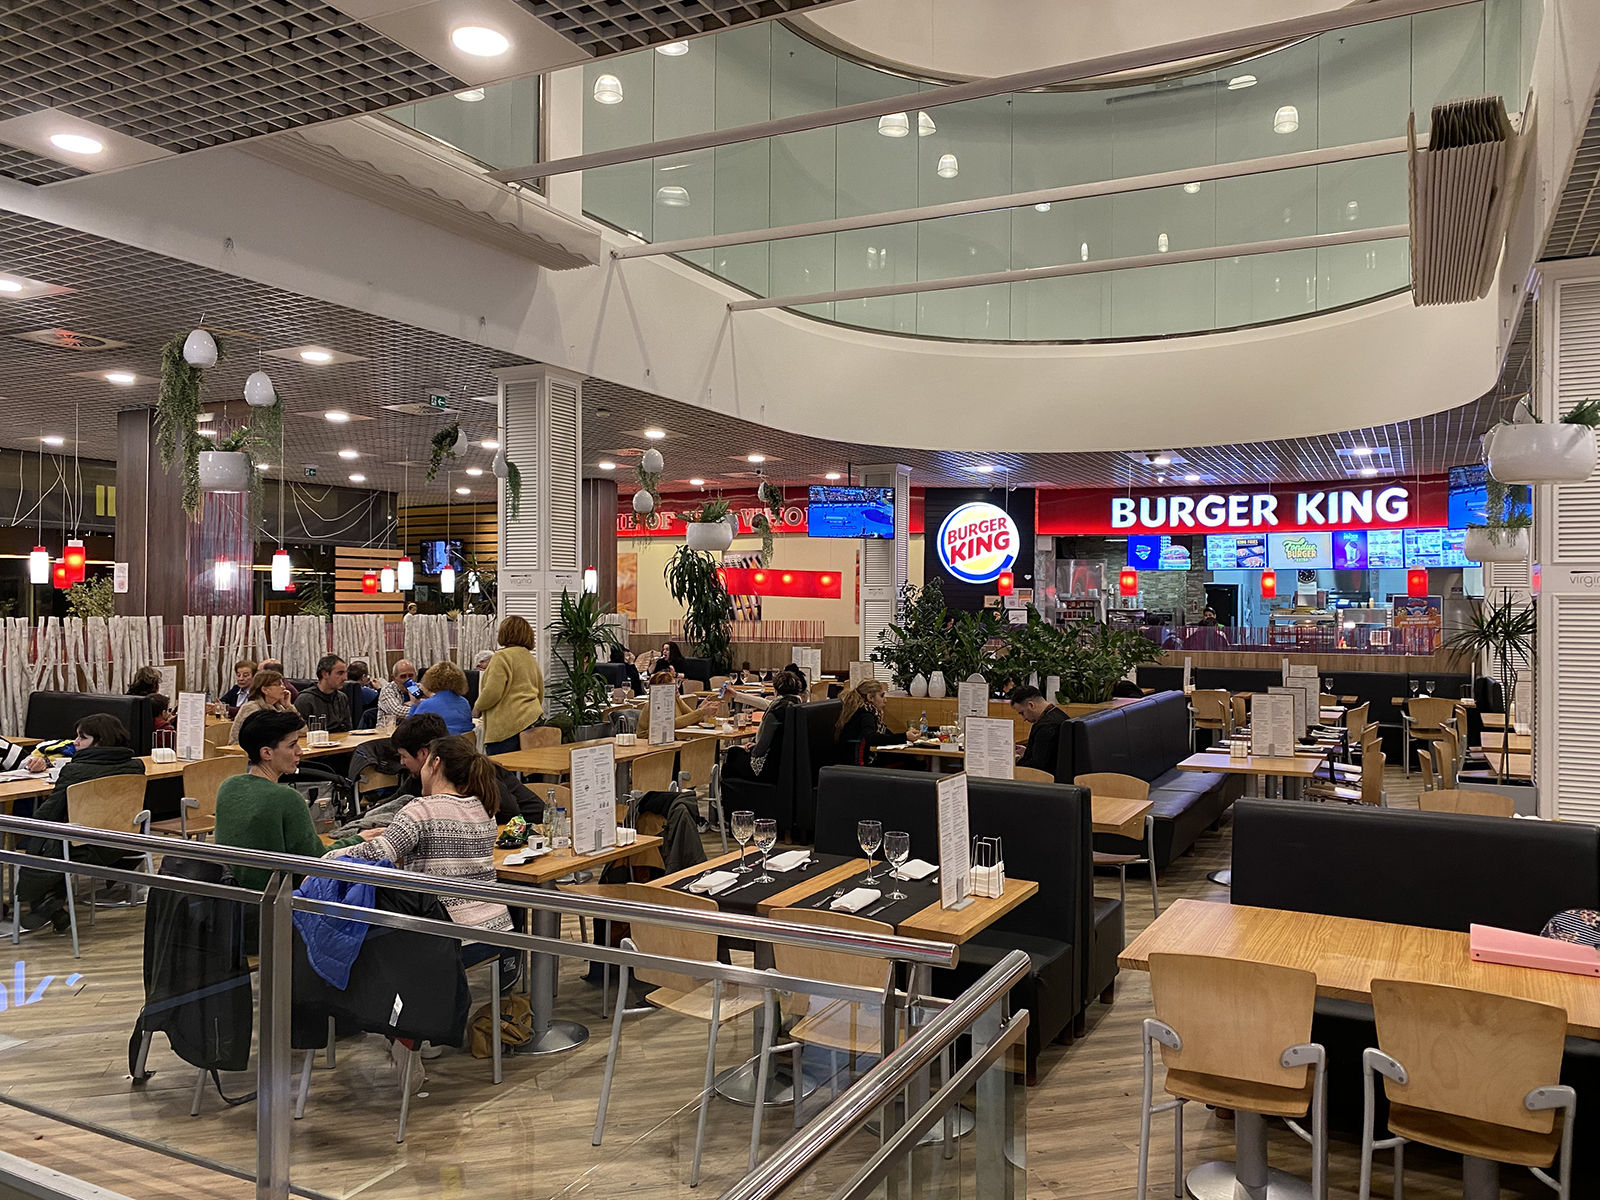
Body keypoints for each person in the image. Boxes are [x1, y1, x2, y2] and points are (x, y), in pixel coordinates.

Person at [326, 735, 516, 971]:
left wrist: (329, 856)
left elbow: (378, 853)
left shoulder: (421, 809)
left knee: (356, 946)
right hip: (495, 932)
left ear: (435, 764)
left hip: (447, 938)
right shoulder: (484, 809)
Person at [16, 714, 146, 932]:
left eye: (82, 738)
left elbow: (47, 813)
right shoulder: (135, 766)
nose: (75, 742)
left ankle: (49, 901)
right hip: (124, 843)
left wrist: (23, 827)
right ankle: (53, 900)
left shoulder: (75, 770)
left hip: (84, 846)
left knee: (42, 844)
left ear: (100, 741)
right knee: (53, 843)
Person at [338, 714, 540, 836]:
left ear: (423, 754)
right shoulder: (420, 778)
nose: (402, 763)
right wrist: (352, 824)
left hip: (532, 832)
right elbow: (395, 803)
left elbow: (510, 812)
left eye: (403, 756)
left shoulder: (468, 768)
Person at [214, 709, 336, 891]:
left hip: (229, 894)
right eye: (292, 745)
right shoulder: (287, 798)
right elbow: (316, 860)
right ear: (267, 753)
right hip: (276, 898)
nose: (300, 751)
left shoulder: (228, 786)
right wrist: (356, 841)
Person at [475, 615, 545, 755]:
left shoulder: (501, 657)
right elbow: (540, 691)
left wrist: (478, 707)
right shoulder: (529, 657)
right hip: (532, 720)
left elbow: (493, 692)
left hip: (506, 727)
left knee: (501, 768)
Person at [724, 669, 805, 781]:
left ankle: (728, 790)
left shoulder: (775, 713)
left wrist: (754, 748)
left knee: (733, 754)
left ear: (776, 691)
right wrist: (736, 695)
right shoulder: (798, 707)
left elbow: (760, 750)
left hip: (766, 768)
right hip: (788, 764)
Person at [835, 680, 896, 766]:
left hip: (853, 761)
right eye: (882, 696)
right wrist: (904, 737)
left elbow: (886, 735)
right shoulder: (865, 715)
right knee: (907, 760)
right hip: (858, 765)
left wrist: (905, 738)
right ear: (870, 697)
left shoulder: (860, 711)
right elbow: (871, 738)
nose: (885, 700)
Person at [637, 670, 720, 733]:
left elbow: (693, 719)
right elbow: (670, 724)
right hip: (647, 742)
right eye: (672, 686)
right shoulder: (655, 704)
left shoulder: (676, 699)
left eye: (676, 683)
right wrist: (700, 712)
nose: (677, 687)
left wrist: (701, 709)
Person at [229, 669, 297, 744]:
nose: (284, 688)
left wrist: (288, 706)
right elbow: (264, 736)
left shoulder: (279, 708)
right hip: (242, 750)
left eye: (283, 684)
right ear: (265, 690)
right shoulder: (251, 708)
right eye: (278, 684)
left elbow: (302, 730)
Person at [1010, 684, 1066, 775]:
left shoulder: (1045, 727)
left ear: (1031, 705)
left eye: (1022, 713)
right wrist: (1027, 752)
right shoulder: (1059, 715)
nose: (1024, 719)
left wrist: (1016, 759)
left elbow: (1037, 766)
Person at [413, 661, 474, 735]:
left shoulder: (427, 704)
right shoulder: (465, 703)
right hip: (463, 741)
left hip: (440, 741)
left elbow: (410, 729)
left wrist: (414, 704)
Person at [295, 653, 352, 733]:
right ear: (325, 674)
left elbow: (348, 728)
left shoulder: (342, 698)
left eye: (345, 673)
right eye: (340, 673)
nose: (345, 678)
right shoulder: (305, 700)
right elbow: (297, 733)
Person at [377, 659, 418, 725]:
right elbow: (397, 712)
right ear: (394, 678)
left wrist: (411, 705)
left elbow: (432, 704)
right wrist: (419, 707)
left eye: (411, 676)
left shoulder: (419, 687)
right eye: (403, 676)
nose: (408, 680)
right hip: (390, 730)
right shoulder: (388, 689)